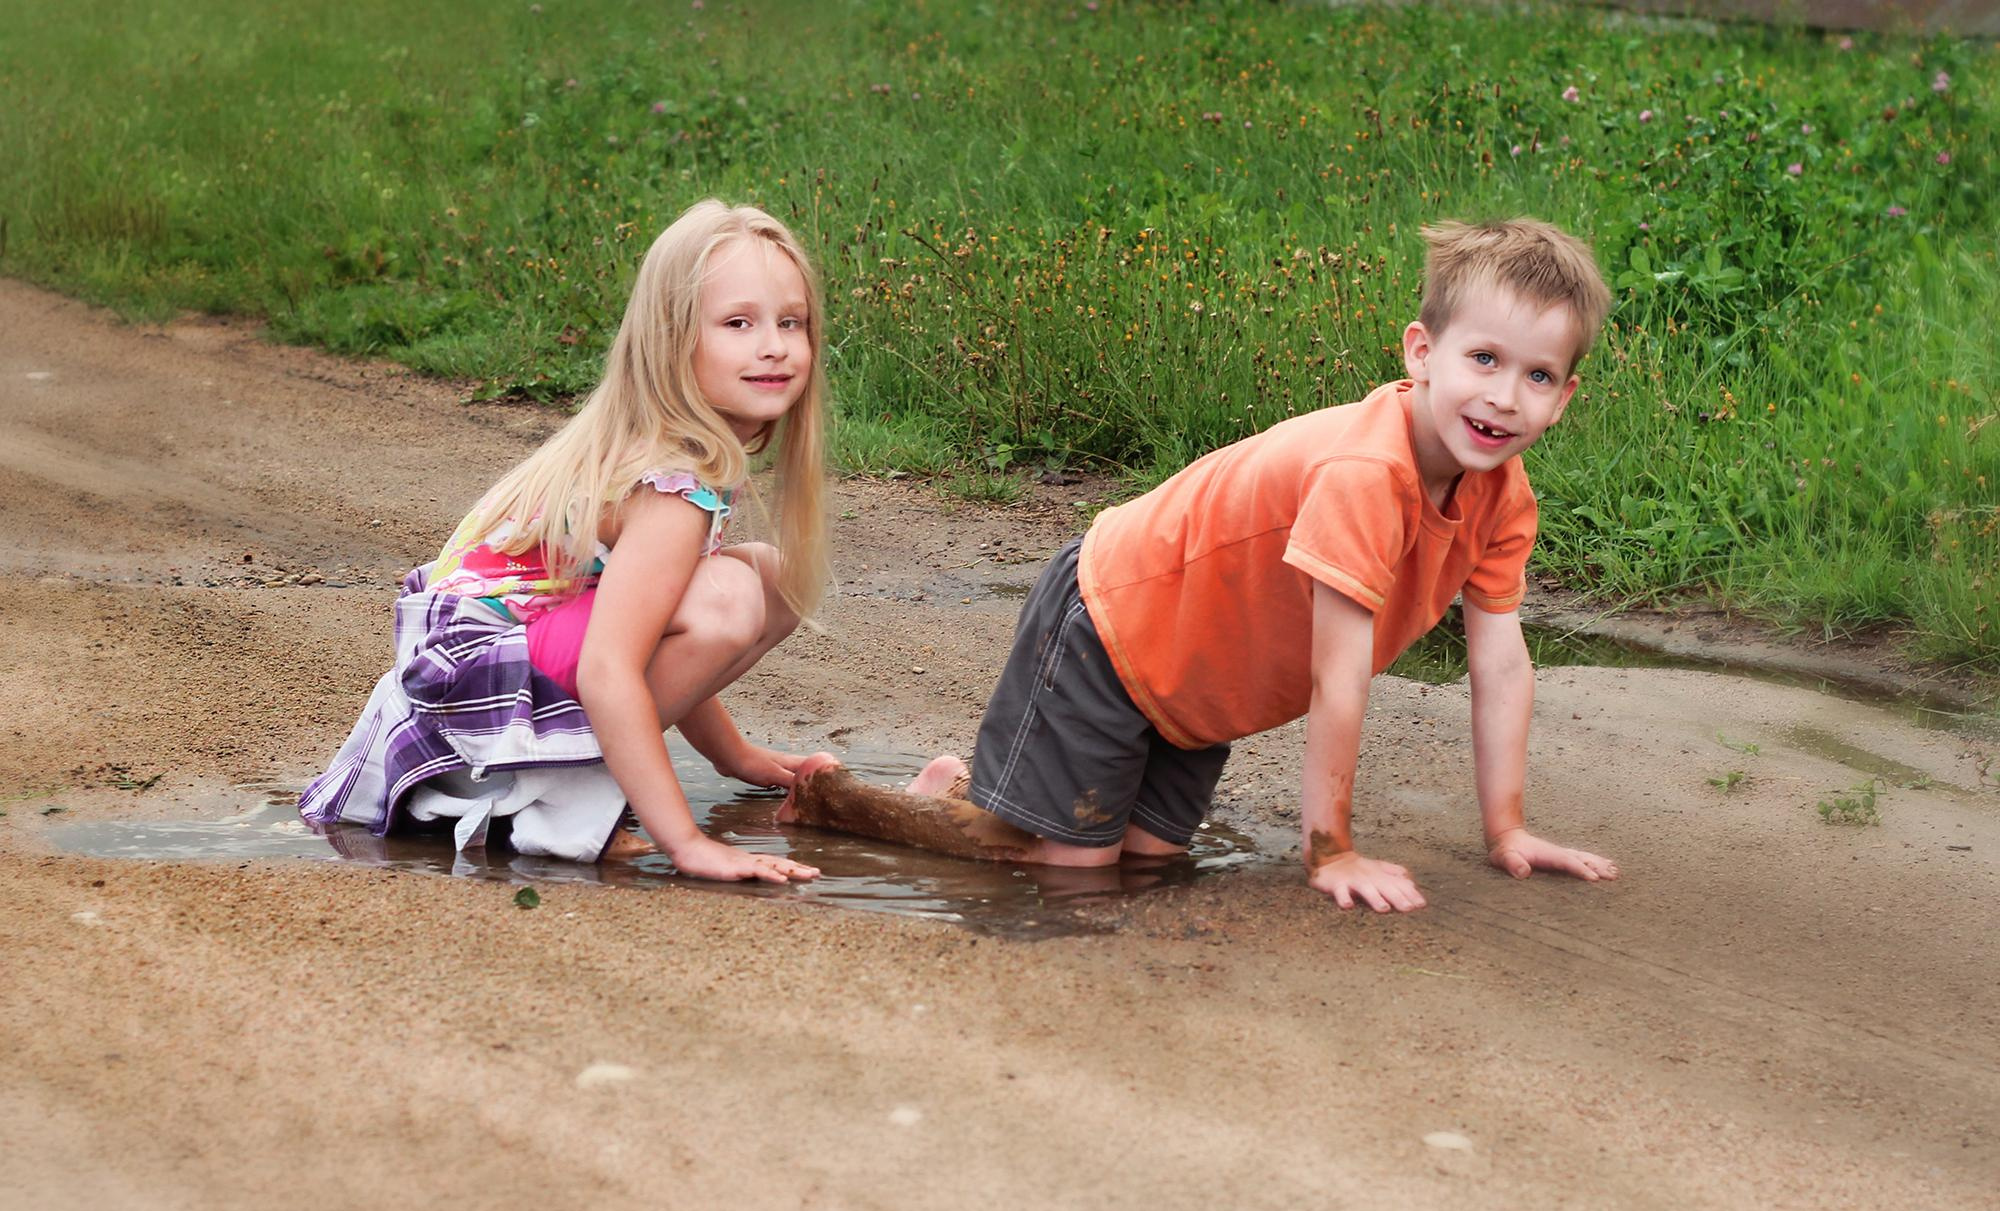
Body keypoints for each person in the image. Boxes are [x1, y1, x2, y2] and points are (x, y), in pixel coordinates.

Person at [780, 217, 1621, 912]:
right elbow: (1339, 678)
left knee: (1148, 862)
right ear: (1421, 352)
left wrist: (1507, 828)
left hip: (1202, 683)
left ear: (1564, 397)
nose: (1505, 396)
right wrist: (1331, 851)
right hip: (1113, 620)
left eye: (1538, 375)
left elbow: (1501, 664)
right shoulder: (1369, 473)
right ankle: (855, 804)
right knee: (1070, 872)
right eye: (1484, 359)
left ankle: (976, 796)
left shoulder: (1502, 497)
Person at [301, 200, 827, 884]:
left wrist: (735, 757)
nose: (774, 346)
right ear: (671, 341)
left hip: (495, 672)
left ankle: (565, 784)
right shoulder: (670, 486)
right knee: (729, 597)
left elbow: (645, 622)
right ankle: (550, 803)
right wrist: (688, 842)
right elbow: (609, 668)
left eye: (791, 322)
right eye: (738, 323)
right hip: (468, 716)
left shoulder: (682, 453)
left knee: (769, 575)